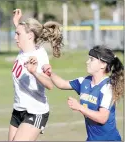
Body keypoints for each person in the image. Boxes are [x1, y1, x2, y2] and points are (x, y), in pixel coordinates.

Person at [41, 45, 124, 141]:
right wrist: (50, 73)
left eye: (91, 59)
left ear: (103, 64)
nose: (87, 62)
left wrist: (79, 107)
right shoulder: (84, 81)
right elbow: (62, 84)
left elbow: (102, 118)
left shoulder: (107, 87)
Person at [8, 9, 63, 141]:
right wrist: (16, 22)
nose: (15, 37)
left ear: (30, 36)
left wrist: (34, 72)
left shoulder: (39, 56)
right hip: (18, 110)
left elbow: (50, 85)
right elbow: (23, 32)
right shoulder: (23, 49)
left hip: (35, 112)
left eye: (17, 34)